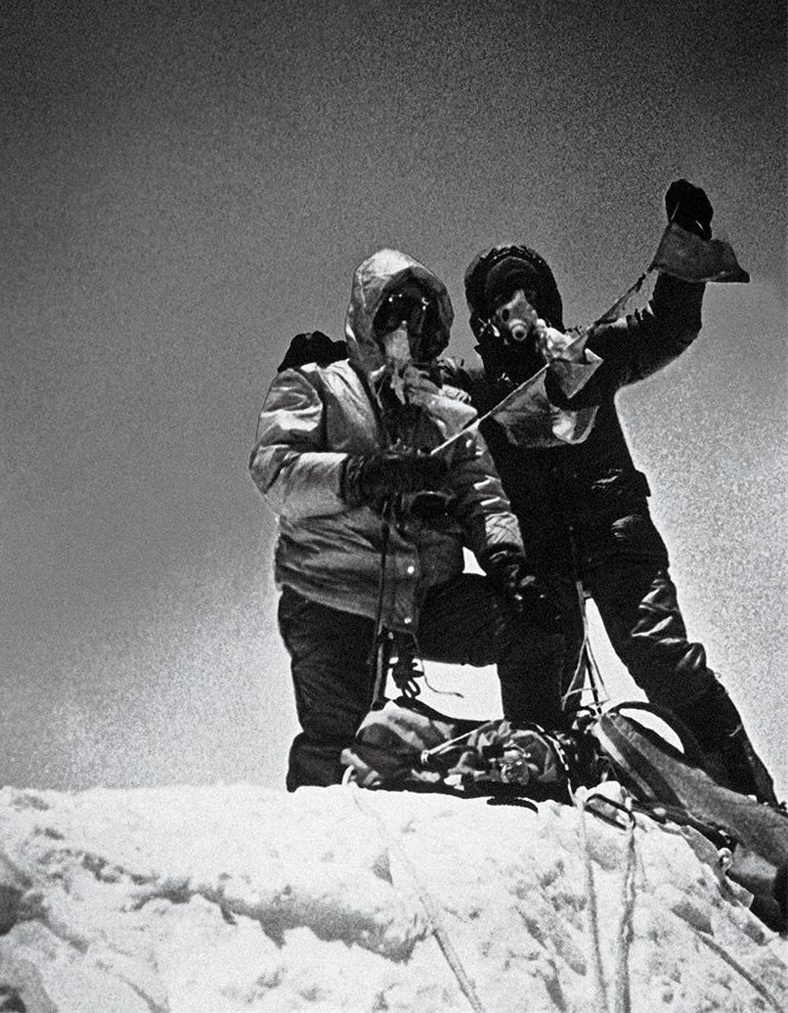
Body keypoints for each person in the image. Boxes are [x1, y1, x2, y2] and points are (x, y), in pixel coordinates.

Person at [456, 179, 777, 804]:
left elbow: (667, 326)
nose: (519, 308)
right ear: (484, 318)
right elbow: (413, 402)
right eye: (503, 299)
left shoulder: (589, 353)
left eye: (530, 293)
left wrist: (687, 247)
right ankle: (548, 810)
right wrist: (337, 372)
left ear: (548, 301)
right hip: (538, 562)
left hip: (616, 535)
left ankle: (751, 799)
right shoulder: (473, 392)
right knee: (539, 690)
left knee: (661, 658)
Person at [250, 248, 565, 790]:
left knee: (529, 626)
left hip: (426, 596)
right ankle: (309, 829)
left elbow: (482, 492)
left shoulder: (446, 409)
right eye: (394, 308)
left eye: (421, 315)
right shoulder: (317, 384)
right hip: (332, 591)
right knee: (335, 742)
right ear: (368, 312)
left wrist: (506, 560)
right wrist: (364, 474)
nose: (407, 326)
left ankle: (537, 760)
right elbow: (276, 471)